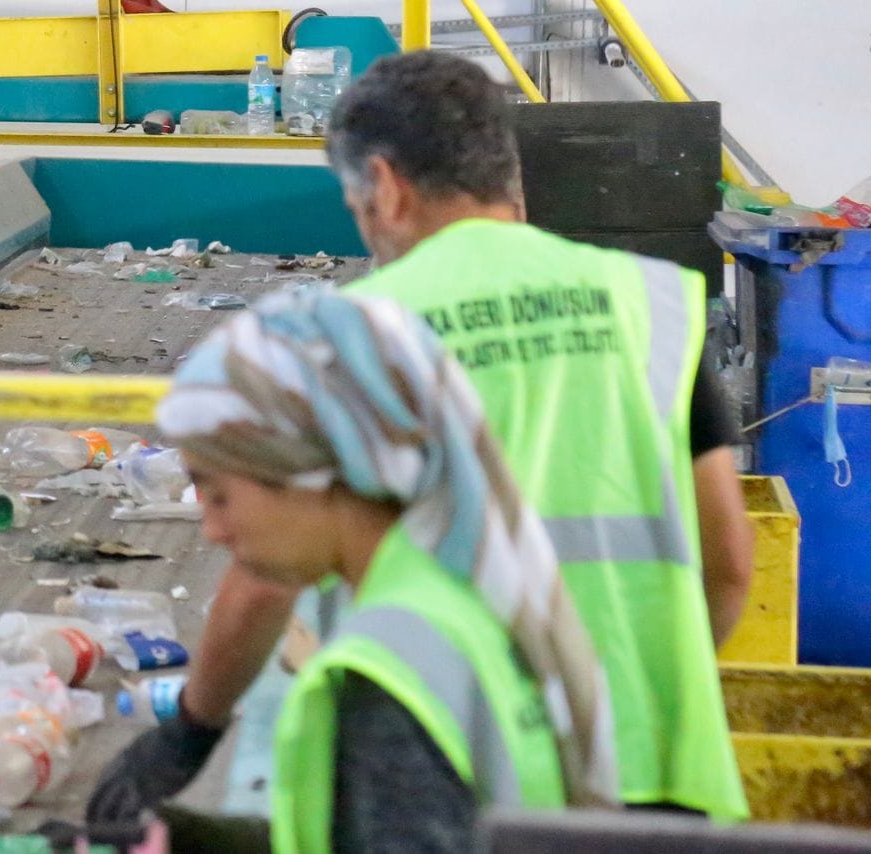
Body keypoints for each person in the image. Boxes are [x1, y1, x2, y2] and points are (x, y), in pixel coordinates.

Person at [90, 50, 752, 823]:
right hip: (660, 769)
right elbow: (730, 566)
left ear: (388, 189)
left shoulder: (358, 330)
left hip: (442, 760)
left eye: (357, 207)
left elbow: (269, 563)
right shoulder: (650, 302)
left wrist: (190, 733)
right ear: (508, 174)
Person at [106, 289, 616, 853]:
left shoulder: (390, 675)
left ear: (315, 472)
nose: (213, 531)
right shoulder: (464, 595)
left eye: (220, 494)